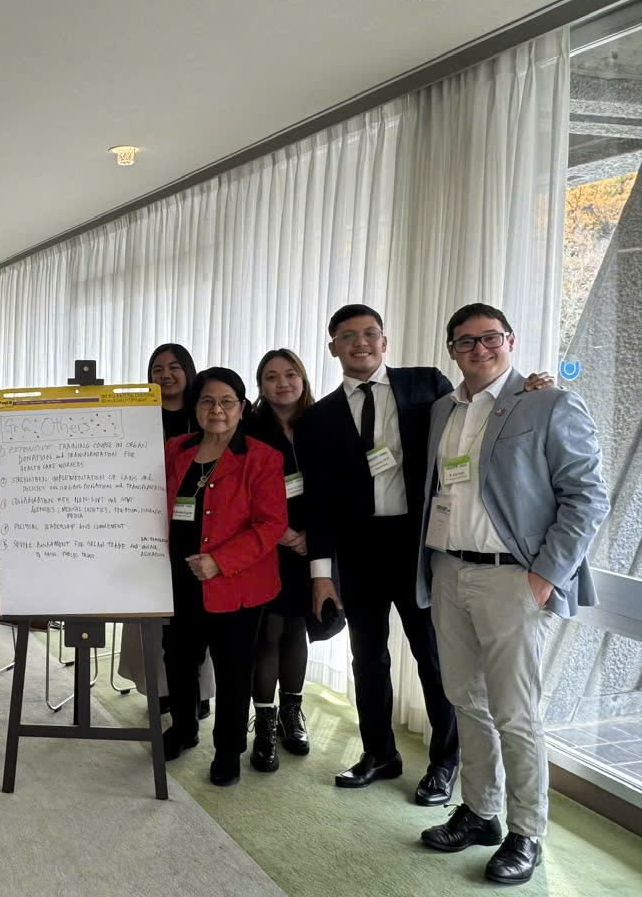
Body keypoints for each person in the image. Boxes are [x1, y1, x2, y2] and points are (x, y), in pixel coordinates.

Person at [417, 304, 608, 885]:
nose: (479, 349)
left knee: (515, 713)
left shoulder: (548, 402)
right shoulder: (443, 409)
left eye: (490, 338)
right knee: (464, 699)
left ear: (511, 340)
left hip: (512, 579)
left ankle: (528, 833)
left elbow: (587, 498)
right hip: (449, 570)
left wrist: (545, 575)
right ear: (451, 350)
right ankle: (480, 812)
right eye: (465, 341)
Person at [294, 303, 462, 804]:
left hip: (418, 547)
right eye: (348, 336)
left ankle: (445, 762)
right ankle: (380, 754)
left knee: (433, 656)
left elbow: (478, 414)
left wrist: (528, 391)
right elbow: (318, 502)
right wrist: (322, 574)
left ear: (384, 342)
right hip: (359, 552)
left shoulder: (426, 385)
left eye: (370, 333)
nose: (360, 343)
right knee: (367, 658)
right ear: (333, 348)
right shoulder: (317, 418)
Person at [161, 366, 287, 787]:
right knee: (179, 659)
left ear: (241, 407)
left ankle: (229, 750)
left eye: (226, 401)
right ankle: (183, 729)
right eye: (207, 401)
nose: (216, 409)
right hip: (179, 579)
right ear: (195, 406)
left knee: (233, 669)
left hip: (236, 583)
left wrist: (219, 560)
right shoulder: (175, 449)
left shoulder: (262, 457)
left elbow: (271, 524)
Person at [118, 343, 215, 718]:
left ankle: (199, 691)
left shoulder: (205, 413)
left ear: (188, 371)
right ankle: (159, 688)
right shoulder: (137, 417)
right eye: (157, 369)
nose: (166, 375)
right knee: (154, 612)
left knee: (199, 614)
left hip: (199, 527)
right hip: (147, 525)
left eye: (174, 367)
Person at [243, 349, 316, 772]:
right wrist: (281, 533)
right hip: (265, 545)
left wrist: (313, 537)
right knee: (268, 630)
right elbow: (241, 489)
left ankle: (292, 712)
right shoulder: (250, 426)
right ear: (261, 385)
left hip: (311, 545)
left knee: (297, 627)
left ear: (302, 378)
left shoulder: (320, 422)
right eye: (271, 377)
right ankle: (265, 723)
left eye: (290, 374)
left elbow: (337, 482)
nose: (282, 383)